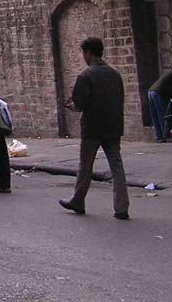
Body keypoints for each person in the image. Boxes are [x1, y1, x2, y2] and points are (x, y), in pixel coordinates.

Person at [59, 37, 130, 220]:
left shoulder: (86, 76)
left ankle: (78, 200)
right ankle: (122, 207)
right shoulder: (114, 74)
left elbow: (79, 104)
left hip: (92, 127)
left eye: (84, 53)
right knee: (117, 166)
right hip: (113, 125)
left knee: (86, 166)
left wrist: (71, 105)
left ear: (88, 53)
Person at [147, 64, 172, 142]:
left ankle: (159, 136)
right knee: (164, 115)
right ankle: (166, 135)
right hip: (159, 92)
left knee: (155, 116)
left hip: (151, 91)